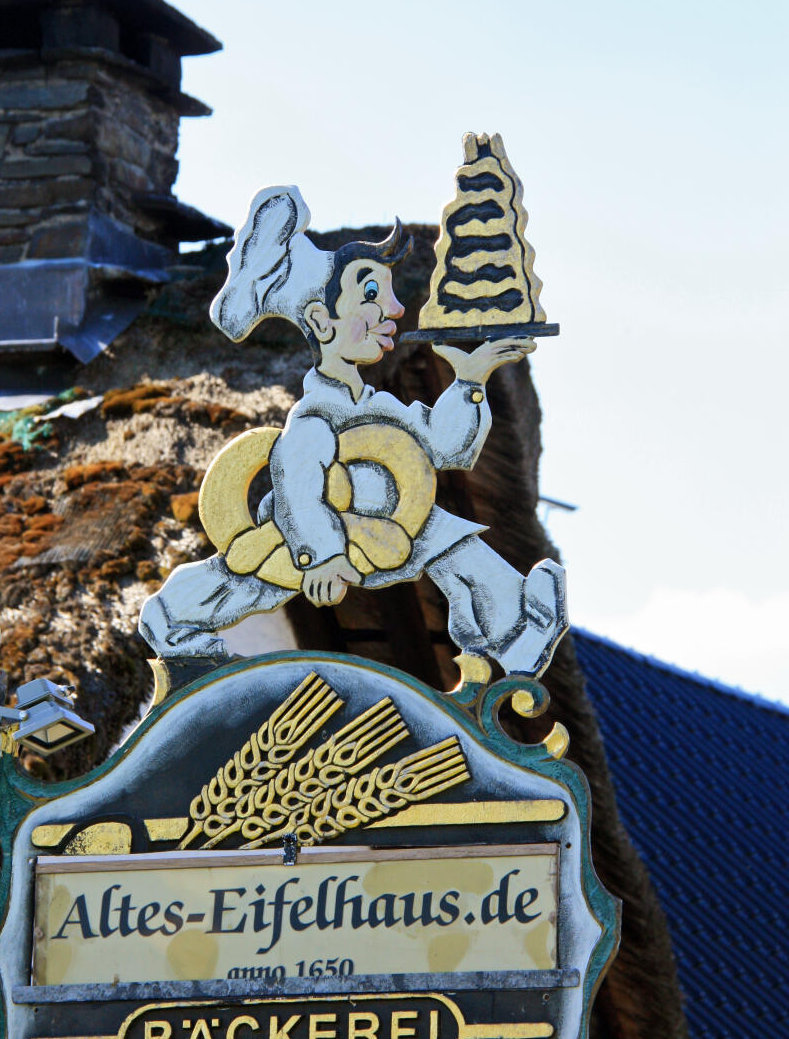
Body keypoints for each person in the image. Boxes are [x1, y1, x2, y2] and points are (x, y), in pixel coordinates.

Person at [139, 186, 567, 677]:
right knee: (249, 578)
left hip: (384, 524)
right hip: (325, 530)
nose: (395, 309)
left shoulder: (381, 408)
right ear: (321, 320)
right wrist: (319, 555)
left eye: (388, 292)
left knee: (451, 540)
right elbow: (297, 479)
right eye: (370, 294)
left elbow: (447, 448)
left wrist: (469, 379)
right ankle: (171, 616)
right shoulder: (315, 415)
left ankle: (512, 631)